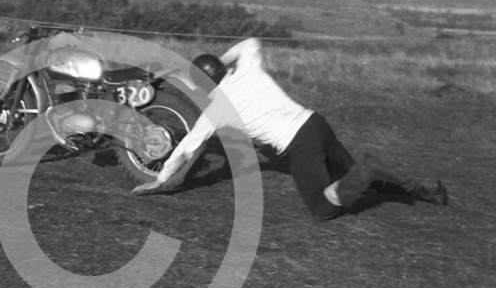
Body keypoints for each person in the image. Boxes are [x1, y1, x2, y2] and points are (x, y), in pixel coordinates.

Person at [131, 38, 448, 220]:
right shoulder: (249, 69)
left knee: (323, 207)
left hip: (299, 144)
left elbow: (185, 149)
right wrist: (225, 60)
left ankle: (368, 170)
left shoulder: (215, 112)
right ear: (221, 68)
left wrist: (159, 180)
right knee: (353, 181)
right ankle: (424, 190)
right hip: (316, 123)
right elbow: (251, 43)